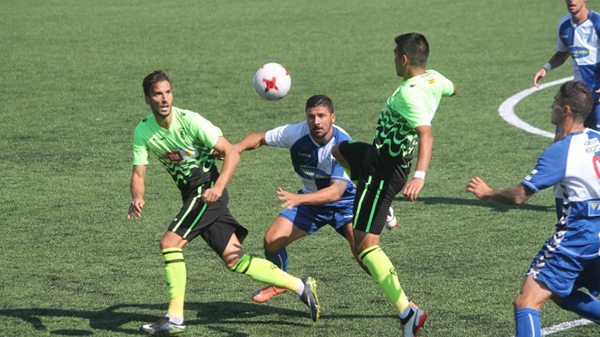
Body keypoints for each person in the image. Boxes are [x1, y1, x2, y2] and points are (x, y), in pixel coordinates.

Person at [127, 71, 320, 335]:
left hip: (206, 191)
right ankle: (300, 286)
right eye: (158, 94)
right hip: (194, 196)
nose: (164, 99)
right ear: (147, 99)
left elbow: (230, 152)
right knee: (236, 260)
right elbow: (139, 172)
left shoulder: (191, 121)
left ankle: (174, 317)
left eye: (168, 92)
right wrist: (137, 196)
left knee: (170, 243)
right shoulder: (143, 130)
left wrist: (218, 188)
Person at [332, 33, 456, 336]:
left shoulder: (408, 95)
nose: (393, 60)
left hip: (384, 171)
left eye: (394, 55)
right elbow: (453, 89)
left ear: (404, 59)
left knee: (363, 247)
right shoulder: (435, 78)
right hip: (374, 157)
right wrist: (435, 92)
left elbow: (426, 134)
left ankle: (407, 312)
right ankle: (379, 206)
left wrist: (420, 176)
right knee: (338, 150)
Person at [467, 81, 600, 337]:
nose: (551, 106)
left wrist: (488, 193)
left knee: (526, 302)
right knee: (561, 294)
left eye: (555, 102)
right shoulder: (596, 139)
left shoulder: (561, 152)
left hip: (575, 240)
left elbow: (519, 196)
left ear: (566, 109)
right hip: (597, 239)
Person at [234, 95, 395, 303]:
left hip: (345, 203)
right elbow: (260, 138)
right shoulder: (296, 133)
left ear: (332, 117)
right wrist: (236, 148)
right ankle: (280, 282)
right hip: (312, 204)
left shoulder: (342, 143)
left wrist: (300, 199)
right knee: (272, 241)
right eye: (311, 116)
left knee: (364, 256)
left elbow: (336, 192)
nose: (316, 122)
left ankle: (402, 300)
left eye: (321, 116)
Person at [533, 0, 600, 132]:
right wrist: (545, 68)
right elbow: (562, 53)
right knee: (562, 135)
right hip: (579, 96)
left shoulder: (597, 23)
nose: (571, 1)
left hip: (598, 95)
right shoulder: (564, 26)